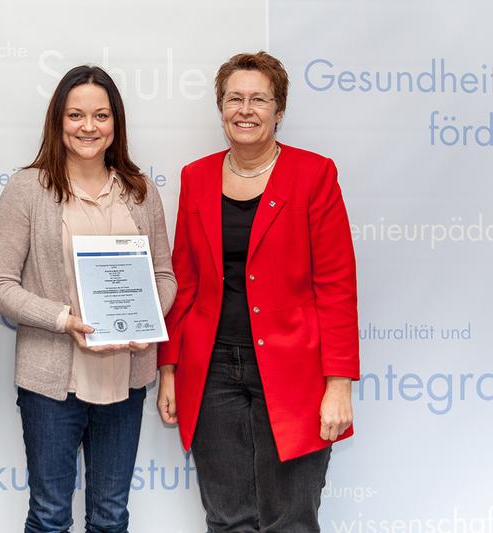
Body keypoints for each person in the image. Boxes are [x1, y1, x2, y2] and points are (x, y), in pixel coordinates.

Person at [156, 51, 359, 532]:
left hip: (295, 374)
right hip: (212, 374)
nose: (245, 109)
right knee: (227, 520)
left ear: (279, 111)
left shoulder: (314, 175)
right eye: (234, 99)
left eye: (258, 99)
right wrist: (169, 367)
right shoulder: (196, 177)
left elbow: (336, 285)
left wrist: (338, 385)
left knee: (290, 520)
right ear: (221, 108)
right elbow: (182, 282)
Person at [0, 65, 176, 533]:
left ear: (116, 123)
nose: (88, 127)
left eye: (100, 115)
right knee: (50, 517)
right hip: (52, 385)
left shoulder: (140, 191)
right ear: (58, 121)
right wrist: (63, 318)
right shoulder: (28, 188)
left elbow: (164, 276)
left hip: (124, 381)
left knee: (111, 518)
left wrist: (143, 319)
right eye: (75, 115)